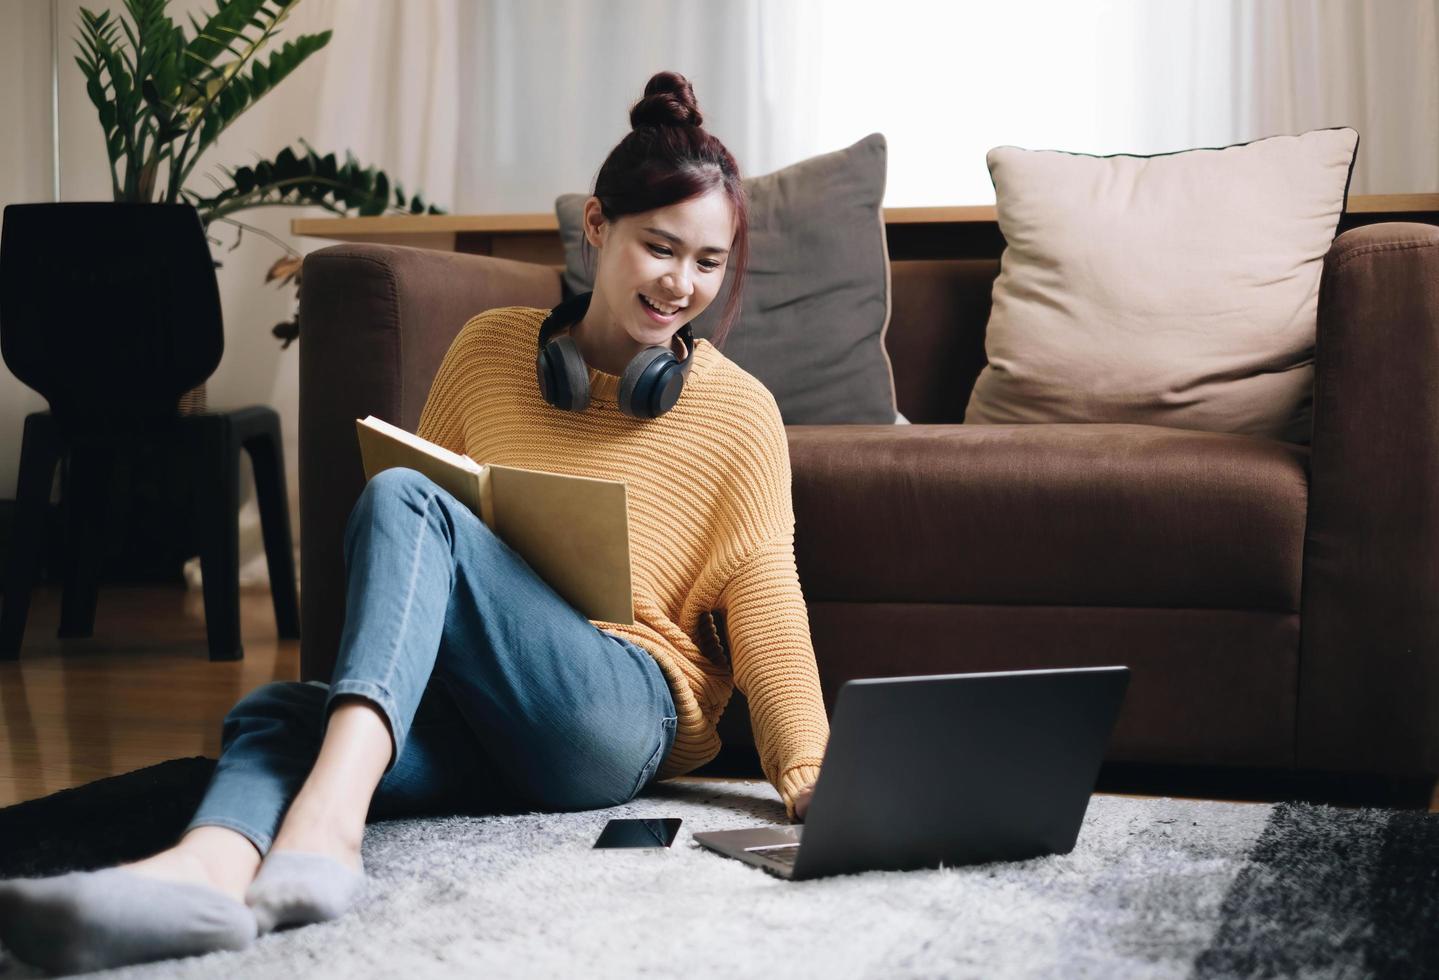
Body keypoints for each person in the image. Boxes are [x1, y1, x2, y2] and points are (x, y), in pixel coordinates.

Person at [0, 70, 829, 975]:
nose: (681, 284)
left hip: (617, 716)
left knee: (402, 498)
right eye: (659, 248)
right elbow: (420, 568)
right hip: (487, 723)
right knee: (276, 714)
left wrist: (810, 774)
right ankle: (203, 875)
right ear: (598, 226)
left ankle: (328, 830)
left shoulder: (739, 412)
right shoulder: (487, 353)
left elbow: (766, 600)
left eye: (708, 262)